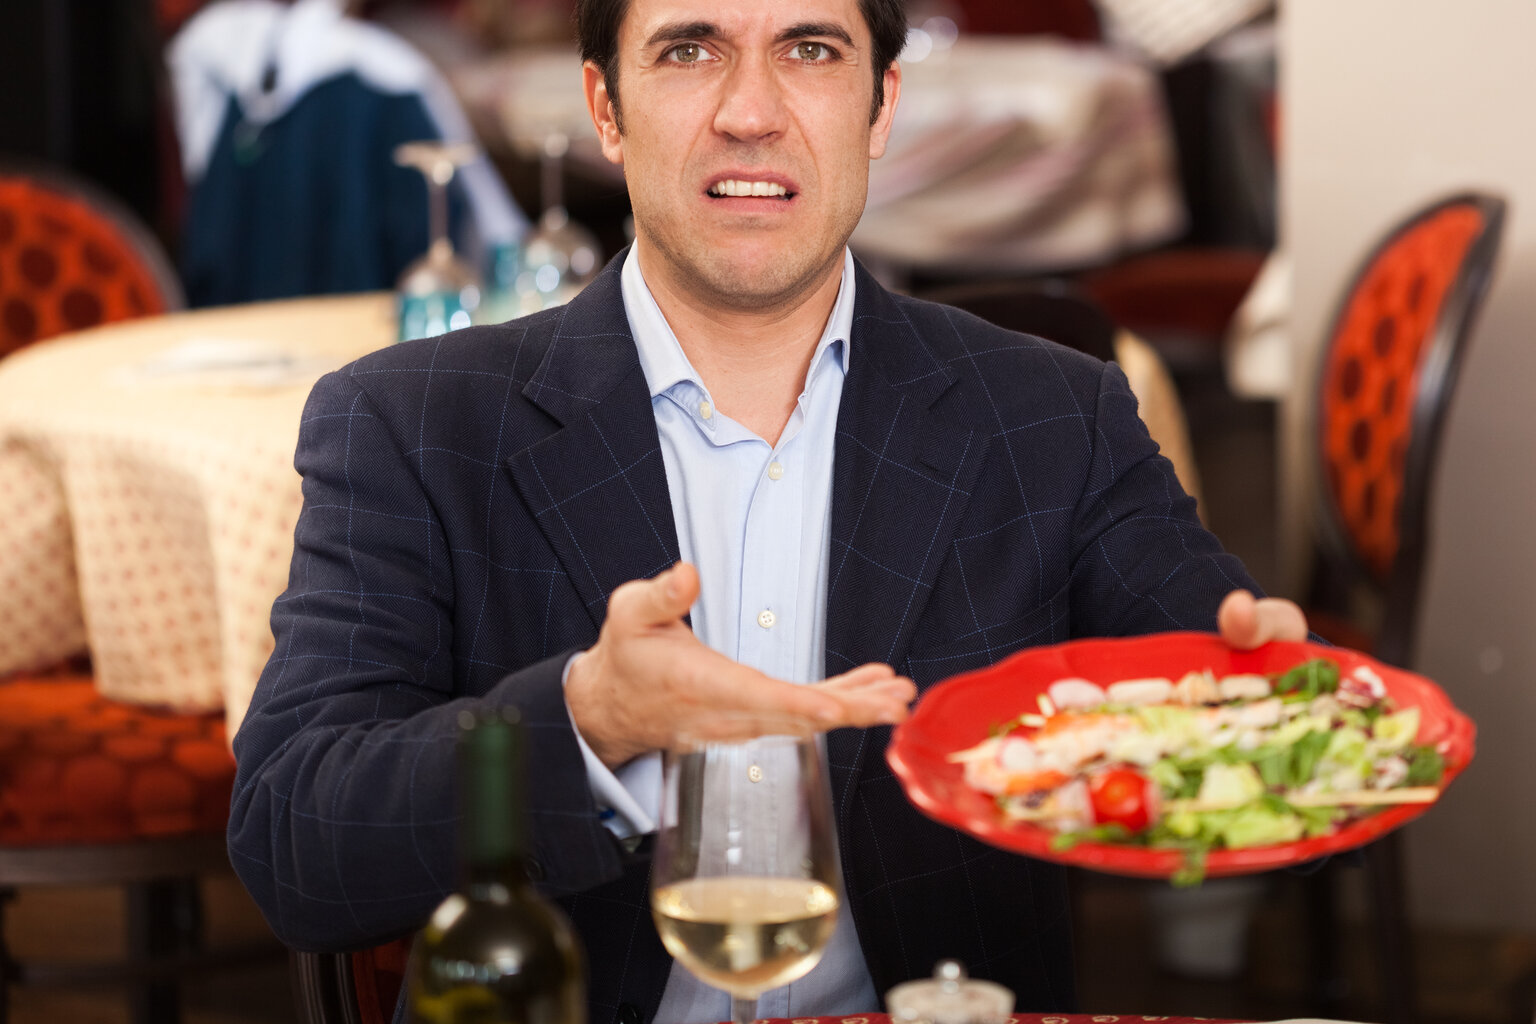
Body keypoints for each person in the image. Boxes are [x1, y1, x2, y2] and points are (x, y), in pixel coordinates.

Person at [227, 0, 1307, 1019]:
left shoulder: (1054, 415)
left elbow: (1242, 720)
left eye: (811, 49)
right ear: (606, 107)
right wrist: (590, 718)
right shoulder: (412, 423)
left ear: (880, 105)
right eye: (690, 49)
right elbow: (292, 846)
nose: (750, 112)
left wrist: (1264, 697)